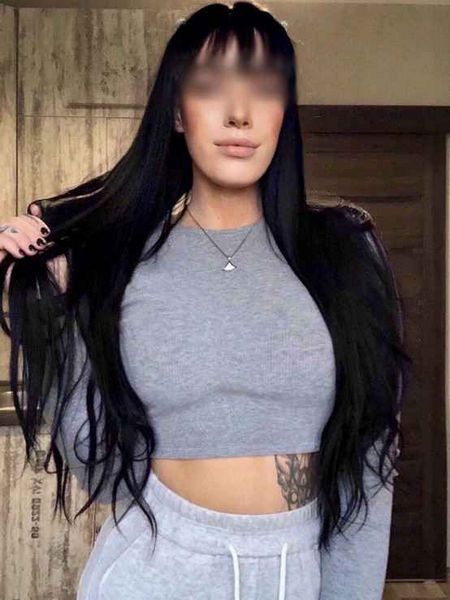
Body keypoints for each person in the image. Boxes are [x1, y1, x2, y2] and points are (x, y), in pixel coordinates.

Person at [0, 2, 411, 599]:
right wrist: (49, 312)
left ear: (284, 112)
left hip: (294, 568)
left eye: (263, 88)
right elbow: (104, 473)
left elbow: (371, 461)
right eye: (211, 86)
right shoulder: (120, 266)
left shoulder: (345, 253)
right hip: (156, 571)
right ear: (177, 111)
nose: (239, 113)